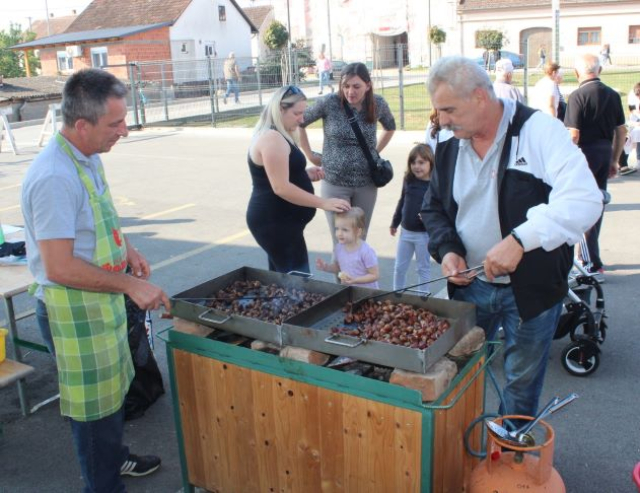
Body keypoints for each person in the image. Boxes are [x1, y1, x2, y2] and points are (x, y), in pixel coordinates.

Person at [421, 56, 602, 419]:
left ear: (479, 97)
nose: (441, 120)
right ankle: (462, 454)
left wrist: (521, 239)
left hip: (532, 292)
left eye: (449, 109)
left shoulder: (539, 131)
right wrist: (448, 250)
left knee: (521, 382)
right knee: (459, 375)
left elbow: (585, 199)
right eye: (438, 111)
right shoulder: (446, 140)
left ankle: (507, 461)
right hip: (470, 287)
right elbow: (434, 208)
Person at [20, 69, 171, 492]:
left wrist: (129, 252)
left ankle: (115, 458)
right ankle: (102, 484)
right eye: (115, 124)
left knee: (112, 397)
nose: (124, 130)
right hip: (74, 312)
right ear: (81, 124)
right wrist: (129, 285)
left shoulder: (88, 156)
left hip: (99, 305)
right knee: (92, 413)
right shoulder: (54, 177)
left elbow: (103, 217)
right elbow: (59, 267)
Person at [246, 85, 350, 274]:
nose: (302, 119)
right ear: (280, 109)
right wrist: (323, 203)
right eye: (297, 113)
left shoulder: (278, 134)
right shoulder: (272, 139)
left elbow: (278, 175)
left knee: (283, 282)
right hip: (275, 222)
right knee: (297, 282)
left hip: (284, 223)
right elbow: (281, 188)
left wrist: (304, 175)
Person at [299, 62, 396, 244]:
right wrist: (310, 155)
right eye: (346, 86)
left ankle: (359, 274)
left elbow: (390, 127)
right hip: (335, 182)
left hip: (366, 183)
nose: (350, 92)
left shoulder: (378, 104)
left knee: (359, 239)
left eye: (356, 86)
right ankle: (341, 274)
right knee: (342, 240)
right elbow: (299, 122)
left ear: (368, 85)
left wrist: (374, 152)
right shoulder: (330, 103)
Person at [564, 53, 626, 280]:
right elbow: (621, 130)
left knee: (579, 206)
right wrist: (614, 158)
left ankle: (589, 262)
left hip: (584, 154)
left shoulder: (578, 96)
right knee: (596, 204)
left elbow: (573, 133)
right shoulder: (612, 95)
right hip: (603, 151)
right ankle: (589, 258)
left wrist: (563, 160)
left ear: (577, 72)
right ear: (599, 70)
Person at [390, 144, 434, 292]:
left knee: (423, 268)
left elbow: (439, 209)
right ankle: (397, 294)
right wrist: (395, 222)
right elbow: (402, 201)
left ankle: (424, 296)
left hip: (424, 235)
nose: (417, 166)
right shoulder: (409, 179)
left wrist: (428, 217)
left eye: (421, 162)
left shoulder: (434, 184)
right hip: (406, 233)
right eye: (413, 162)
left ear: (430, 163)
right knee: (399, 267)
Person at [316, 207, 379, 288]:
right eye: (337, 228)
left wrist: (355, 280)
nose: (339, 233)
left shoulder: (366, 252)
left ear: (358, 232)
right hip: (348, 290)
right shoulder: (338, 248)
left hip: (367, 293)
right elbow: (338, 267)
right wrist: (326, 267)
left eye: (345, 230)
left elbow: (374, 275)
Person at [618, 82, 640, 175]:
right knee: (627, 136)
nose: (638, 98)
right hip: (635, 121)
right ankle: (623, 163)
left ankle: (638, 159)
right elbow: (632, 110)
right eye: (638, 96)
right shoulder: (632, 96)